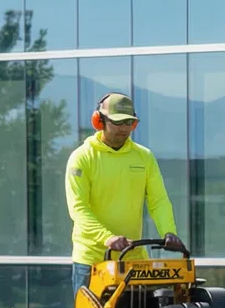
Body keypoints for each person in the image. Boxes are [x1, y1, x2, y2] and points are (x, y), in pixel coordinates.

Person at [65, 92, 182, 290]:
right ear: (99, 121)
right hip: (92, 260)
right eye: (117, 122)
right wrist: (107, 237)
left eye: (129, 122)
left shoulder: (144, 157)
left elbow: (158, 201)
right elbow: (78, 209)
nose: (124, 128)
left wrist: (168, 231)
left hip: (133, 258)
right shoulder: (82, 158)